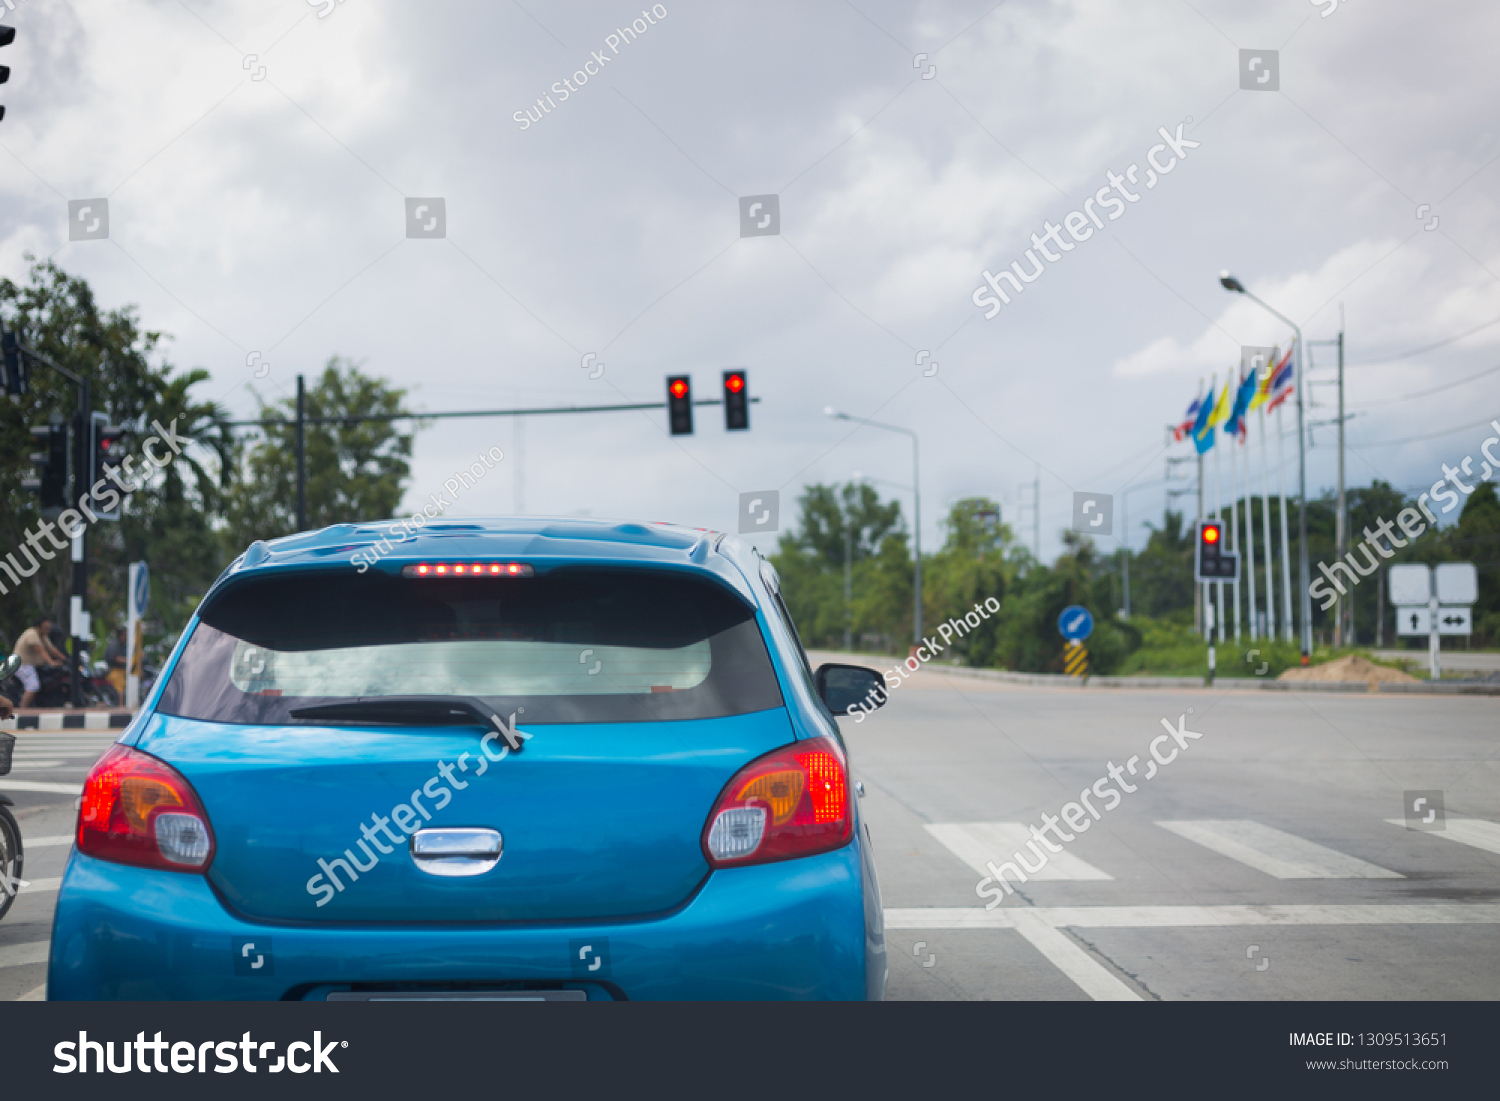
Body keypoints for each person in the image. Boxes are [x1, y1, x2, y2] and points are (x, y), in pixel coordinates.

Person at [13, 614, 67, 709]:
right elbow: (40, 650)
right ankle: (22, 710)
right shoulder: (32, 634)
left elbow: (52, 650)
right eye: (46, 628)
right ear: (38, 627)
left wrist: (65, 659)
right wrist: (52, 663)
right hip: (23, 665)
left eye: (49, 628)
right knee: (33, 686)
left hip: (34, 666)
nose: (48, 631)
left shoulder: (42, 635)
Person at [104, 626, 128, 699]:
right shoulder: (114, 645)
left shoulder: (125, 645)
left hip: (123, 671)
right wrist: (128, 661)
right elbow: (115, 658)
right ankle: (120, 707)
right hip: (116, 670)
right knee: (120, 690)